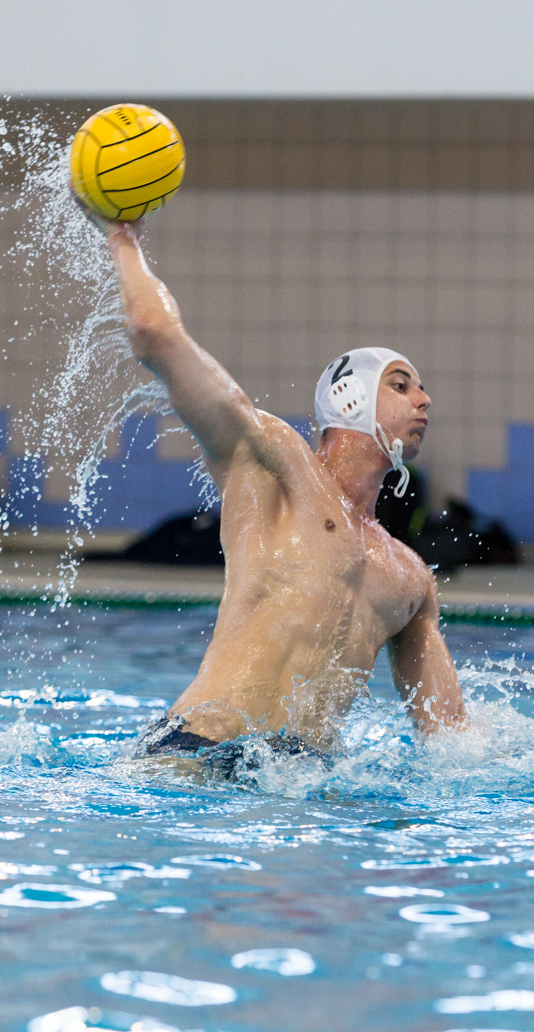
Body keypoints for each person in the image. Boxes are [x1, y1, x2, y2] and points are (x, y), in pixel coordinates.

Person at [93, 217, 466, 755]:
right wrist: (122, 237)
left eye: (422, 389)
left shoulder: (410, 577)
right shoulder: (274, 466)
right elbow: (154, 332)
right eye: (401, 385)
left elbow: (453, 742)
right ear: (348, 399)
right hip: (197, 749)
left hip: (300, 780)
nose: (423, 400)